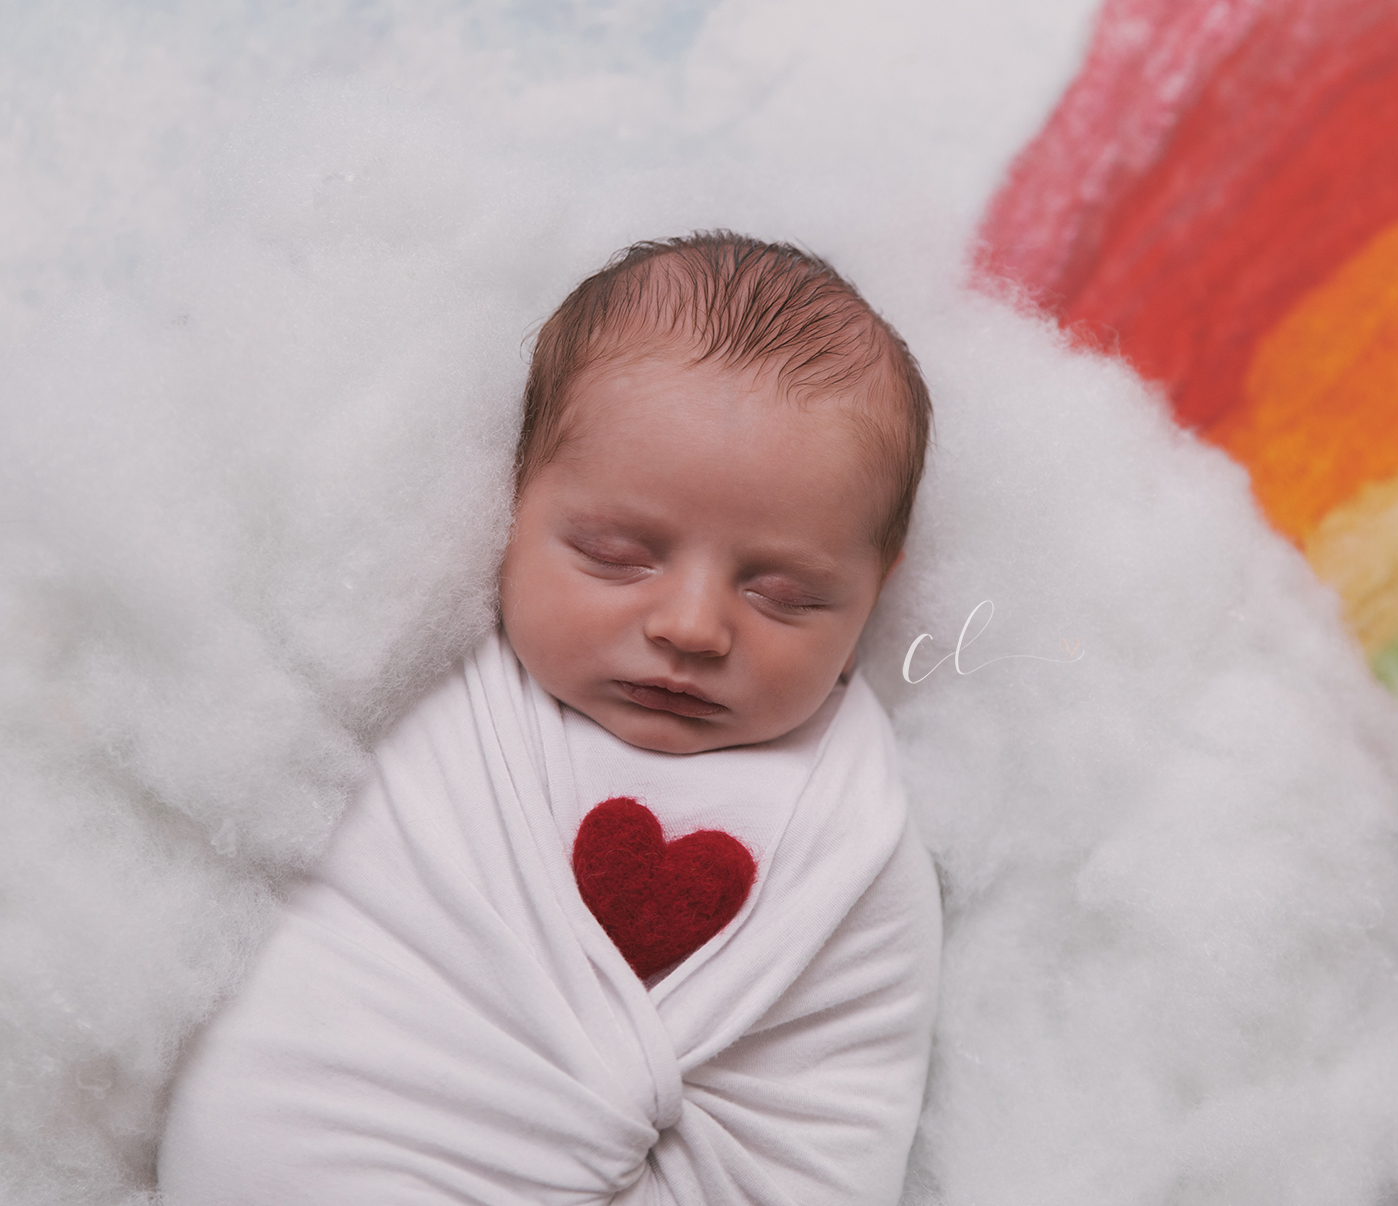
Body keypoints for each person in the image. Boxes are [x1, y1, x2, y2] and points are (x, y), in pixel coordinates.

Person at [157, 232, 942, 1205]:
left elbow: (828, 1119)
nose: (692, 627)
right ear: (513, 505)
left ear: (876, 589)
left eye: (782, 592)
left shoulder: (854, 841)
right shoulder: (425, 696)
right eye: (617, 554)